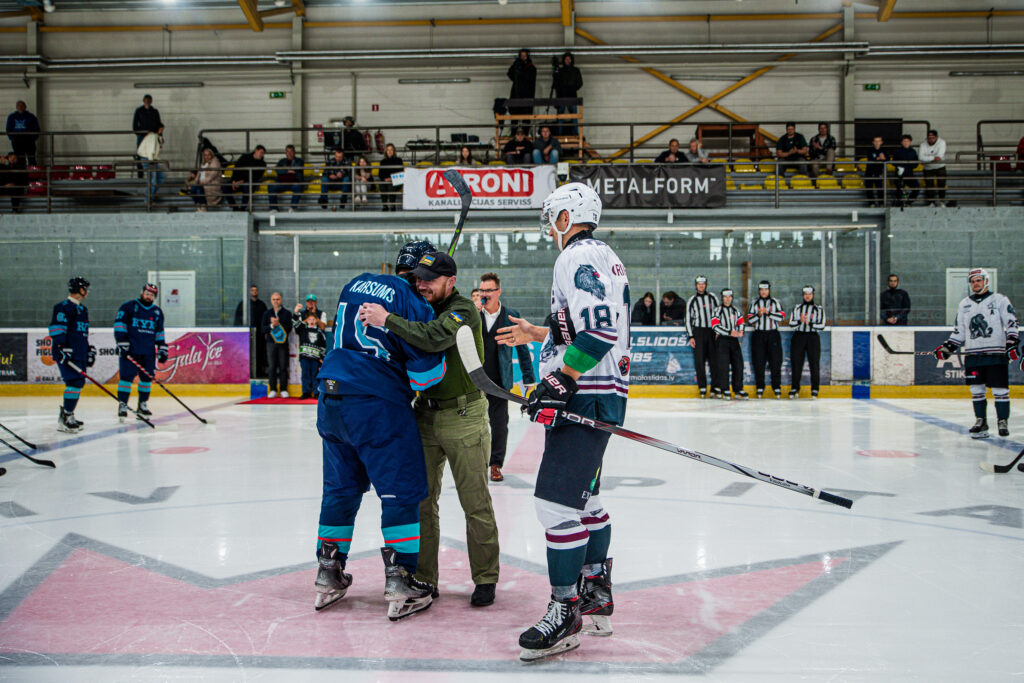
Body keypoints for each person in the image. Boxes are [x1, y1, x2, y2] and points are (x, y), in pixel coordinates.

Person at [492, 182, 628, 661]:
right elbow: (589, 322)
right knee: (586, 502)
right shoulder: (604, 255)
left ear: (566, 218)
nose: (549, 228)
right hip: (602, 395)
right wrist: (539, 333)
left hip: (585, 397)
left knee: (554, 505)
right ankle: (596, 594)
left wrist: (562, 378)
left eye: (552, 218)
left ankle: (565, 610)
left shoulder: (575, 256)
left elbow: (600, 330)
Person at [358, 249, 500, 609]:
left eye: (430, 280)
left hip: (464, 415)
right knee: (422, 502)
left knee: (475, 503)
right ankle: (424, 577)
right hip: (424, 413)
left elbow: (435, 336)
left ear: (451, 282)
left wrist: (388, 319)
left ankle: (485, 577)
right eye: (418, 279)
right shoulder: (418, 303)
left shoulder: (463, 310)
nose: (422, 285)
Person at [311, 242, 446, 619]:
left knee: (339, 489)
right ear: (421, 275)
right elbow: (426, 376)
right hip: (376, 404)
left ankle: (328, 570)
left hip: (330, 397)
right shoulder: (412, 301)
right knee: (401, 490)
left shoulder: (355, 284)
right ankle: (401, 577)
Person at [934, 268, 1018, 439]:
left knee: (1000, 389)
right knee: (976, 389)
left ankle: (1002, 421)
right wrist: (948, 347)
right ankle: (981, 421)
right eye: (972, 281)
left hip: (996, 354)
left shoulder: (999, 300)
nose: (975, 284)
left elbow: (1011, 323)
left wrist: (1011, 342)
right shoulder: (964, 304)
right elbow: (959, 331)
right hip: (974, 355)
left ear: (986, 281)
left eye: (978, 280)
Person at [477, 272, 537, 482]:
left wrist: (529, 379)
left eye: (489, 290)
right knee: (473, 425)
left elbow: (523, 351)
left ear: (498, 292)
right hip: (475, 380)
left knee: (499, 424)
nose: (484, 294)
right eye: (482, 290)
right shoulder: (473, 315)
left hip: (499, 381)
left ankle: (495, 464)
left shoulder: (510, 316)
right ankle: (476, 464)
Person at [114, 283, 167, 422]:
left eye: (152, 295)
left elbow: (159, 332)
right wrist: (122, 342)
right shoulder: (128, 306)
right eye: (147, 293)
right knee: (126, 378)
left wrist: (162, 347)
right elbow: (119, 324)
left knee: (147, 379)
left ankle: (142, 405)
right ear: (142, 293)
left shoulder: (157, 312)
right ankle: (123, 404)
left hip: (148, 352)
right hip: (130, 351)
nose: (148, 296)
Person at [50, 277, 94, 433]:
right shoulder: (62, 307)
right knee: (74, 382)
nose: (87, 292)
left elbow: (82, 333)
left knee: (78, 383)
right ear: (80, 290)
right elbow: (56, 329)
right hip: (66, 353)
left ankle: (69, 414)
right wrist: (62, 347)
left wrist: (88, 350)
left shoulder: (83, 309)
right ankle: (66, 417)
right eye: (86, 289)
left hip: (78, 352)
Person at [746, 280, 785, 398]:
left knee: (775, 361)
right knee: (759, 362)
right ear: (759, 290)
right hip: (759, 335)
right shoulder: (754, 303)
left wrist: (768, 313)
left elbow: (782, 317)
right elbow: (750, 319)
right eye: (761, 290)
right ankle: (760, 387)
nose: (764, 292)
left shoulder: (775, 302)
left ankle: (776, 387)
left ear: (769, 290)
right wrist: (758, 315)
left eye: (766, 289)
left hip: (773, 334)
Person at [788, 286, 825, 399]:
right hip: (798, 336)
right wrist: (800, 321)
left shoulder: (819, 309)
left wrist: (810, 323)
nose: (807, 296)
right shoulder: (797, 308)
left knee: (814, 363)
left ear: (813, 295)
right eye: (805, 294)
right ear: (803, 295)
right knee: (796, 363)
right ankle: (795, 387)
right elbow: (791, 324)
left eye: (810, 294)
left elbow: (822, 326)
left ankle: (815, 389)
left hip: (812, 337)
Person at [686, 275, 720, 398]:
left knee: (714, 361)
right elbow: (688, 319)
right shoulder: (692, 300)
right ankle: (702, 387)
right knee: (699, 361)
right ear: (696, 285)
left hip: (711, 332)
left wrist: (718, 331)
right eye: (699, 284)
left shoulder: (713, 297)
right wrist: (691, 336)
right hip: (699, 332)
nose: (701, 286)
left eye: (703, 284)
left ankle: (715, 387)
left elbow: (718, 314)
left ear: (706, 285)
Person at [711, 288, 748, 400]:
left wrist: (741, 331)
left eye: (729, 297)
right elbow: (715, 326)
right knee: (723, 366)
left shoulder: (735, 310)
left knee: (738, 365)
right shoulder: (717, 310)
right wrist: (729, 332)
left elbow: (741, 322)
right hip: (722, 340)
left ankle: (738, 389)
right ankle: (724, 388)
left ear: (732, 298)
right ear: (722, 298)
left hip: (734, 340)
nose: (727, 299)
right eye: (725, 297)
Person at [261, 292, 293, 398]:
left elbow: (289, 328)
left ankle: (283, 389)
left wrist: (279, 324)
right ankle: (273, 389)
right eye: (274, 299)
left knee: (283, 366)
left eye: (278, 299)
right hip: (271, 343)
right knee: (272, 367)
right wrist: (272, 325)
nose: (276, 301)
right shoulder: (267, 313)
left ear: (281, 300)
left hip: (283, 344)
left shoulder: (287, 313)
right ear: (271, 301)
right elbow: (263, 329)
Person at [295, 311, 326, 400]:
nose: (311, 321)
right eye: (309, 319)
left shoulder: (320, 332)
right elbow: (296, 325)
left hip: (315, 358)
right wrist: (296, 313)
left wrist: (322, 357)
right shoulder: (303, 330)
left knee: (315, 375)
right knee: (305, 374)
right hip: (304, 357)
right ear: (306, 321)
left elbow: (323, 345)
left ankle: (316, 392)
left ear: (316, 320)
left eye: (313, 319)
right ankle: (306, 392)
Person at [225, 145, 267, 211]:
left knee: (247, 186)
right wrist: (233, 180)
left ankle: (243, 208)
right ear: (256, 150)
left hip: (249, 183)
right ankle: (234, 207)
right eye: (261, 152)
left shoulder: (263, 164)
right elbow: (236, 169)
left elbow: (255, 177)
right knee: (225, 186)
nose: (262, 155)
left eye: (263, 153)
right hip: (237, 181)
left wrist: (242, 181)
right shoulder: (244, 157)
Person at [553, 51, 582, 136]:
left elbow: (580, 83)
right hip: (562, 95)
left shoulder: (576, 70)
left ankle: (575, 133)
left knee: (574, 115)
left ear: (571, 60)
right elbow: (556, 82)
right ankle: (559, 133)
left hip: (571, 95)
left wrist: (572, 88)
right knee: (560, 115)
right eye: (566, 59)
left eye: (569, 59)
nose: (567, 60)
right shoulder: (560, 71)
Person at [270, 144, 304, 212]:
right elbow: (277, 170)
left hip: (294, 182)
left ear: (294, 152)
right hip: (282, 182)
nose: (289, 153)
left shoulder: (299, 161)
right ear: (285, 152)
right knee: (271, 186)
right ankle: (274, 208)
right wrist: (287, 171)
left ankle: (292, 208)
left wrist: (284, 170)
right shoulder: (281, 161)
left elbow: (297, 169)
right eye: (287, 151)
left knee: (299, 186)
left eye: (291, 151)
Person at [507, 49, 537, 124]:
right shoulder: (516, 65)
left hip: (527, 94)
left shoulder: (531, 67)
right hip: (517, 94)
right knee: (514, 117)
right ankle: (514, 130)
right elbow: (510, 74)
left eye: (525, 55)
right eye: (522, 55)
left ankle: (525, 131)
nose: (523, 57)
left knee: (526, 117)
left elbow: (531, 79)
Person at [136, 125, 165, 202]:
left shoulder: (156, 137)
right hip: (148, 159)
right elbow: (150, 150)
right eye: (161, 129)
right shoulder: (152, 137)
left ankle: (151, 195)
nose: (162, 131)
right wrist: (151, 162)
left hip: (152, 160)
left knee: (161, 177)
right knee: (153, 181)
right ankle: (148, 199)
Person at [919, 129, 947, 206]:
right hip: (928, 168)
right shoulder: (923, 144)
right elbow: (921, 157)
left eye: (933, 138)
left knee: (941, 184)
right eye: (929, 138)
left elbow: (939, 156)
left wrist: (927, 159)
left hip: (940, 166)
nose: (931, 139)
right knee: (929, 185)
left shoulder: (942, 142)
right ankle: (931, 202)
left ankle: (942, 201)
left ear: (936, 137)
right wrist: (933, 158)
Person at [6, 100, 40, 165]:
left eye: (22, 106)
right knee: (19, 159)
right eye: (18, 106)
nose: (20, 107)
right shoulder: (12, 117)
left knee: (31, 158)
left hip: (28, 140)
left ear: (25, 107)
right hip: (17, 140)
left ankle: (33, 170)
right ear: (16, 107)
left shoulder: (31, 116)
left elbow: (36, 128)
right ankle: (21, 171)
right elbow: (8, 128)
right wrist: (12, 138)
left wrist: (33, 138)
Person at [892, 134, 921, 207]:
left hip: (909, 174)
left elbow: (916, 163)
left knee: (916, 187)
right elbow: (894, 162)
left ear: (910, 142)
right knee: (900, 189)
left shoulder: (913, 151)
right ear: (901, 142)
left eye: (907, 141)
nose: (906, 143)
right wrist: (900, 167)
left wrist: (909, 166)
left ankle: (908, 202)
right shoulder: (897, 151)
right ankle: (899, 204)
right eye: (904, 141)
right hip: (899, 174)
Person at [378, 143, 403, 212]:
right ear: (386, 151)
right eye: (388, 150)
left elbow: (400, 172)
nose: (389, 151)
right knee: (382, 185)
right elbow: (380, 174)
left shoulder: (399, 160)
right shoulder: (382, 162)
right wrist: (385, 179)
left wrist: (392, 178)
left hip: (397, 181)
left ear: (394, 151)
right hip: (386, 181)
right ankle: (385, 205)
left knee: (391, 185)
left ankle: (392, 205)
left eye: (391, 150)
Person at [865, 135, 888, 207]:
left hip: (878, 172)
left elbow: (887, 158)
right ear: (873, 142)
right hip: (869, 171)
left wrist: (883, 158)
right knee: (869, 188)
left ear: (881, 142)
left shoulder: (884, 150)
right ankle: (871, 203)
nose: (877, 143)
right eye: (876, 141)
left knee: (880, 188)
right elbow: (870, 158)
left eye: (879, 141)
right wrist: (879, 158)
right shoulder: (870, 150)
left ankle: (881, 203)